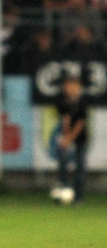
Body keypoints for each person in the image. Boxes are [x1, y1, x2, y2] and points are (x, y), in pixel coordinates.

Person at [51, 76, 88, 204]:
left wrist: (70, 138)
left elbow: (80, 123)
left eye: (75, 86)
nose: (71, 89)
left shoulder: (82, 102)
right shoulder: (61, 100)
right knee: (63, 166)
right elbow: (65, 120)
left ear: (79, 88)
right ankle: (62, 194)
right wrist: (65, 138)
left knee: (79, 166)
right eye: (69, 86)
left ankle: (78, 197)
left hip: (80, 138)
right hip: (65, 137)